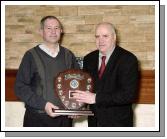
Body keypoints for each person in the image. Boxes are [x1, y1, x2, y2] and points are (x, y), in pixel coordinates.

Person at [14, 15, 79, 127]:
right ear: (41, 31)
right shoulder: (31, 55)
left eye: (56, 28)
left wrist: (77, 106)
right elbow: (20, 87)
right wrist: (43, 105)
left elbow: (78, 85)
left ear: (61, 31)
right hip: (37, 119)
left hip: (64, 121)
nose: (53, 31)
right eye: (49, 28)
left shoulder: (69, 55)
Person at [72, 22, 139, 127]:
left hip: (118, 124)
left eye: (105, 36)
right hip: (94, 123)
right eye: (97, 36)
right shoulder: (89, 59)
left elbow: (128, 95)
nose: (100, 40)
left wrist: (96, 98)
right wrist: (79, 106)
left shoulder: (128, 59)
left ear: (114, 37)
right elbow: (86, 87)